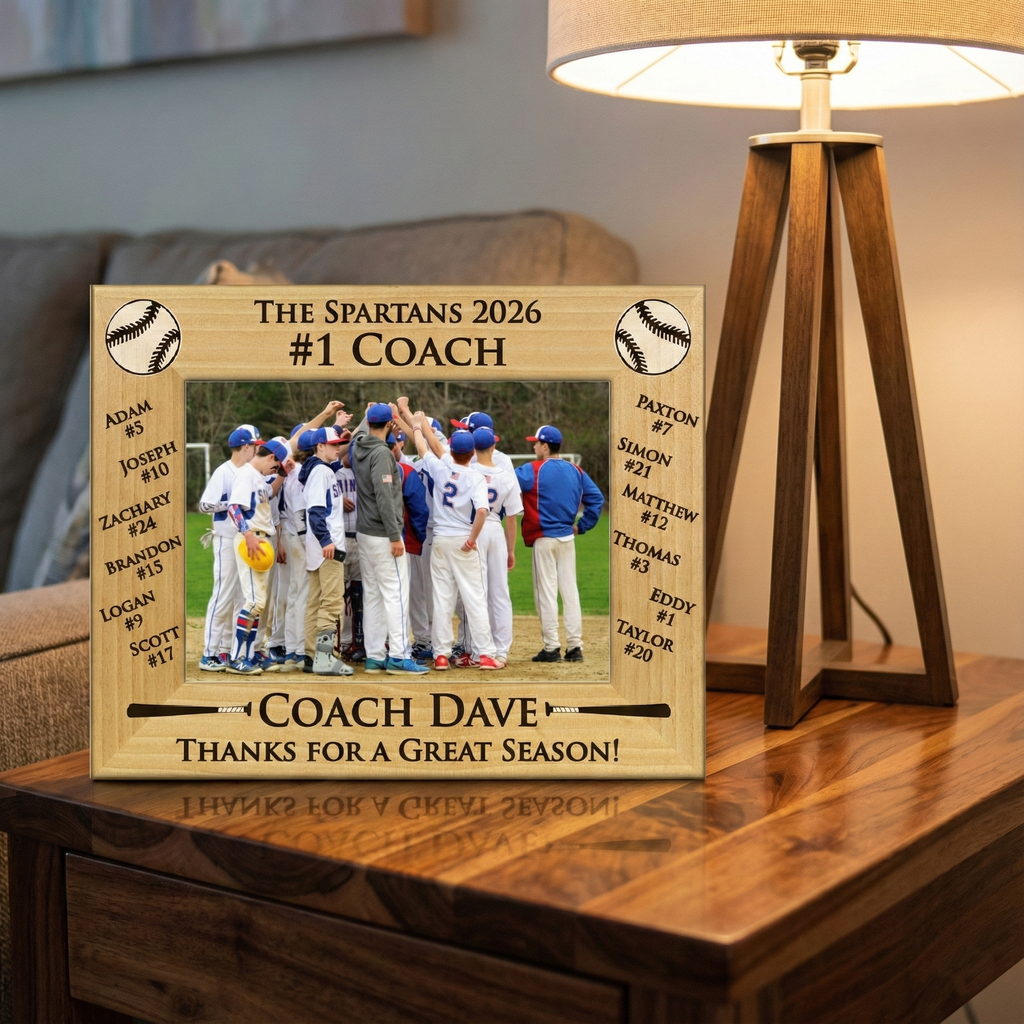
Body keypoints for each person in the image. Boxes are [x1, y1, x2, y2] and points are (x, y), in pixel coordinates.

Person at [409, 414, 498, 670]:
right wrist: (472, 541)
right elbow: (482, 511)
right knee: (474, 598)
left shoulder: (441, 467)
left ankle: (440, 655)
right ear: (471, 453)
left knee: (442, 598)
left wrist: (417, 426)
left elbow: (424, 447)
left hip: (440, 539)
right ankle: (487, 655)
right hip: (462, 540)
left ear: (453, 451)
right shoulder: (475, 477)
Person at [516, 424, 604, 663]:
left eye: (536, 442)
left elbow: (507, 484)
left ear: (545, 446)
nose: (533, 446)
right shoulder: (576, 470)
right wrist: (582, 525)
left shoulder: (532, 469)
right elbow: (596, 499)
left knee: (545, 592)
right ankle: (575, 647)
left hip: (544, 539)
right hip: (567, 538)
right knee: (570, 591)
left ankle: (552, 647)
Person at [350, 403, 427, 676]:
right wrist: (396, 535)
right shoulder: (382, 454)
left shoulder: (358, 444)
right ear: (389, 425)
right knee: (395, 595)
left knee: (372, 595)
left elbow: (358, 434)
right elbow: (385, 497)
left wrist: (368, 418)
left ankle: (374, 657)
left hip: (365, 532)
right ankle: (398, 655)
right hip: (384, 534)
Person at [225, 436, 291, 674]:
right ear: (271, 457)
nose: (275, 470)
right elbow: (234, 507)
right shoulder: (245, 474)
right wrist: (248, 535)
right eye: (276, 465)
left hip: (261, 539)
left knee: (258, 604)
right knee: (254, 602)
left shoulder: (258, 478)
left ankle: (250, 655)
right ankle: (236, 658)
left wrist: (283, 474)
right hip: (251, 539)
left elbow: (270, 493)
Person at [197, 424, 258, 672]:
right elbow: (204, 505)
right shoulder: (225, 471)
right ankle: (208, 654)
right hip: (225, 539)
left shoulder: (251, 472)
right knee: (223, 595)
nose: (256, 449)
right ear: (245, 446)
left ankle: (228, 651)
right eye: (254, 445)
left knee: (241, 598)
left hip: (244, 542)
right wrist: (230, 504)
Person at [296, 425, 353, 677]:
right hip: (327, 546)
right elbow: (316, 511)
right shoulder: (320, 471)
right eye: (333, 444)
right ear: (320, 446)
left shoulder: (320, 468)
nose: (338, 447)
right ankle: (323, 658)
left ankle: (310, 656)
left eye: (339, 443)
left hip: (318, 546)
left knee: (315, 602)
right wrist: (326, 540)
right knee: (331, 603)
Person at [463, 425, 522, 668]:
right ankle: (501, 651)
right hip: (496, 529)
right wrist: (510, 550)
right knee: (500, 593)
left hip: (473, 529)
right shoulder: (506, 475)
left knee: (478, 592)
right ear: (494, 446)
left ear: (474, 449)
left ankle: (479, 652)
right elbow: (512, 517)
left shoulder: (467, 471)